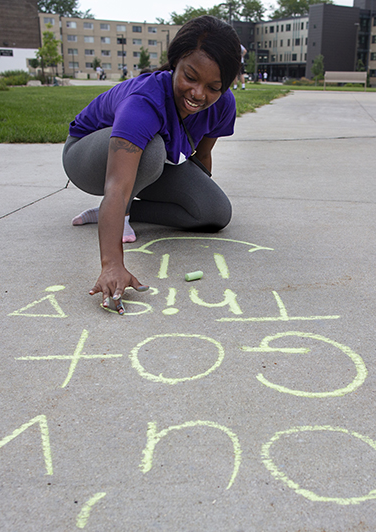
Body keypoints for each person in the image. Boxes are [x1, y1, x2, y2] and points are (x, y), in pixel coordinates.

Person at [62, 16, 243, 315]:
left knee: (214, 212)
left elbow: (201, 158)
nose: (198, 94)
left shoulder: (223, 105)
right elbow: (117, 186)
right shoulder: (144, 102)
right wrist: (112, 265)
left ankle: (119, 212)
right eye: (190, 77)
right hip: (86, 156)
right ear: (175, 62)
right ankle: (121, 211)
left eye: (213, 86)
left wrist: (198, 194)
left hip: (145, 160)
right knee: (152, 150)